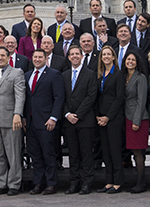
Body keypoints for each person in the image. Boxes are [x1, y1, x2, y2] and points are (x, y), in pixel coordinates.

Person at [0, 46, 26, 196]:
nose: (0, 58)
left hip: (10, 118)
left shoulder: (16, 73)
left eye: (3, 55)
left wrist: (17, 114)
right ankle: (0, 183)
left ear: (8, 57)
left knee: (13, 153)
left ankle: (14, 184)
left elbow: (20, 95)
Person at [23, 49, 64, 195]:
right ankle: (38, 183)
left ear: (46, 58)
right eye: (35, 57)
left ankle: (51, 183)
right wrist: (24, 117)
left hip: (47, 121)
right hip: (31, 122)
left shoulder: (54, 74)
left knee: (48, 154)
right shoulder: (27, 75)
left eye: (40, 57)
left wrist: (53, 117)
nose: (37, 59)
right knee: (35, 155)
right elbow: (27, 99)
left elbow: (59, 98)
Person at [62, 46, 97, 195]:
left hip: (85, 120)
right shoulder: (64, 75)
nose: (75, 56)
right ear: (69, 57)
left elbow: (91, 96)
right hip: (68, 121)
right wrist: (67, 114)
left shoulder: (90, 74)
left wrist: (78, 115)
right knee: (73, 154)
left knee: (86, 153)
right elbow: (61, 97)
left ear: (82, 56)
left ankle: (87, 183)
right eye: (72, 54)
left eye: (77, 54)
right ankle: (74, 182)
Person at [95, 45, 124, 194]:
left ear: (113, 57)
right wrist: (98, 116)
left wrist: (108, 117)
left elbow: (119, 98)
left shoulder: (118, 74)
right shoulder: (100, 74)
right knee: (105, 151)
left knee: (115, 150)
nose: (106, 56)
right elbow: (98, 96)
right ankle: (109, 181)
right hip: (101, 118)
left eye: (108, 54)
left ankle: (118, 182)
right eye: (103, 54)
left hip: (113, 118)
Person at [122, 52, 149, 193]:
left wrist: (137, 121)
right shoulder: (124, 77)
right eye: (128, 59)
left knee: (138, 152)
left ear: (137, 62)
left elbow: (141, 101)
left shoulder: (141, 77)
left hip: (138, 119)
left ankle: (141, 183)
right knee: (133, 150)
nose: (130, 62)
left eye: (133, 60)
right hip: (127, 117)